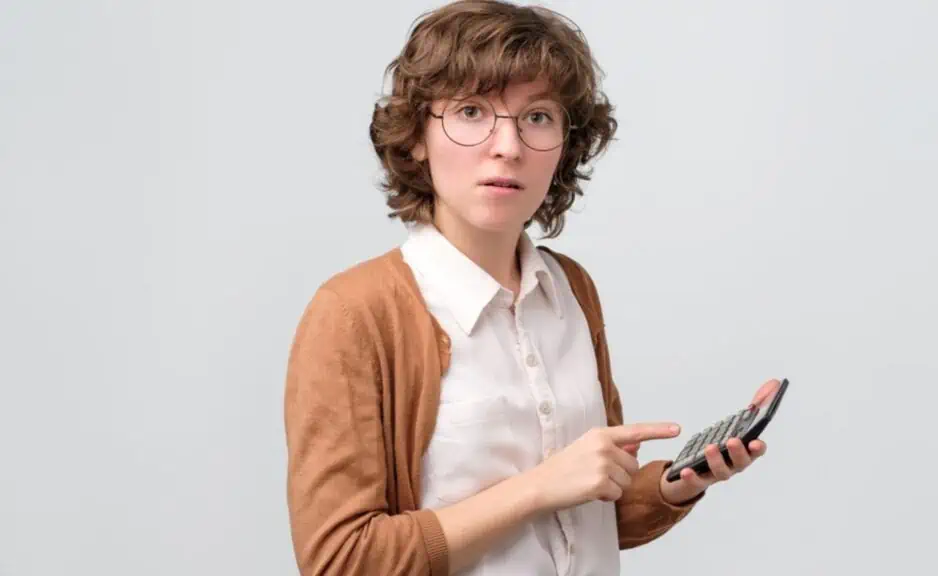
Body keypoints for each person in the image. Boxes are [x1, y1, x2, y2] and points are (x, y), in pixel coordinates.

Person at [283, 1, 781, 574]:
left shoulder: (570, 289)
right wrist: (539, 487)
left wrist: (676, 484)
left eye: (538, 116)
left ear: (566, 141)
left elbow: (589, 514)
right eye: (471, 111)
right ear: (417, 136)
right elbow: (341, 561)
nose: (509, 146)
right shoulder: (354, 313)